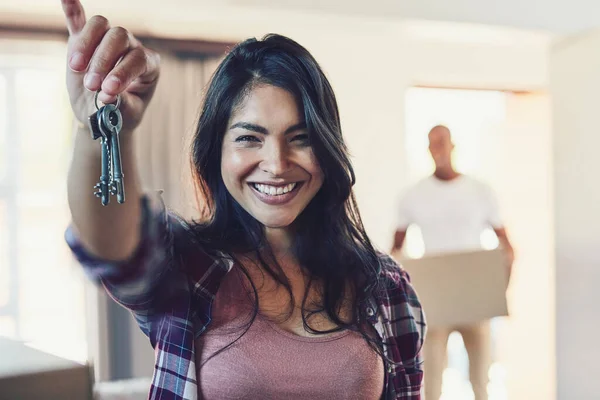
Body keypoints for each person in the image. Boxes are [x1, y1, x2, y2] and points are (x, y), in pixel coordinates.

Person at [60, 1, 426, 399]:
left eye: (300, 138)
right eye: (250, 138)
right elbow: (113, 251)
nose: (276, 164)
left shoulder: (385, 285)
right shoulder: (186, 264)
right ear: (215, 151)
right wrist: (99, 129)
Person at [391, 125, 514, 400]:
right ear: (428, 150)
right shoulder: (413, 195)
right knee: (432, 380)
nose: (439, 150)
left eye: (443, 143)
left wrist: (500, 292)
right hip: (436, 300)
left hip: (475, 298)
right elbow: (395, 251)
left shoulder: (481, 191)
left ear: (453, 146)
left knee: (481, 380)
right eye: (433, 144)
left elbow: (507, 247)